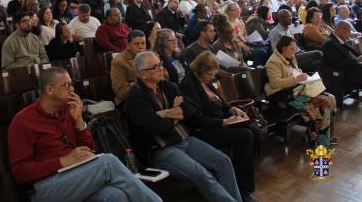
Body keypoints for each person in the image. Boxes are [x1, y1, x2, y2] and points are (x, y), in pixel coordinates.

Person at [8, 67, 162, 202]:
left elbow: (90, 150)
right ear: (49, 90)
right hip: (45, 188)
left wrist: (80, 122)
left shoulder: (68, 111)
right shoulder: (23, 121)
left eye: (71, 85)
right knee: (107, 162)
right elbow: (21, 173)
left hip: (77, 175)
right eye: (66, 86)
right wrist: (62, 161)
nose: (72, 90)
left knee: (115, 195)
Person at [125, 51, 242, 202]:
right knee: (202, 174)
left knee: (223, 162)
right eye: (155, 67)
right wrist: (175, 113)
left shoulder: (166, 85)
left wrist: (164, 113)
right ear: (142, 74)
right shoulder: (135, 97)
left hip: (184, 139)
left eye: (160, 64)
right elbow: (157, 127)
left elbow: (191, 109)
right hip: (162, 150)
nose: (161, 68)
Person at [179, 52, 260, 202]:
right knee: (245, 136)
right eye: (210, 74)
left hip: (220, 123)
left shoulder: (206, 81)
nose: (212, 77)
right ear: (200, 70)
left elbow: (221, 102)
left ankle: (242, 181)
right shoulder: (188, 85)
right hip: (204, 130)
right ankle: (242, 189)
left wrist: (233, 110)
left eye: (213, 74)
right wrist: (224, 122)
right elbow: (197, 119)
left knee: (253, 130)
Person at [265, 35, 336, 146]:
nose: (294, 52)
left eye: (295, 49)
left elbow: (295, 73)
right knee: (324, 103)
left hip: (298, 91)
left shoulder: (291, 57)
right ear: (284, 47)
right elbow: (275, 83)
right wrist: (296, 79)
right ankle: (319, 140)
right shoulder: (273, 62)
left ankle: (325, 138)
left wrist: (303, 76)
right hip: (285, 97)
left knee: (331, 97)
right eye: (292, 49)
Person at [322, 21, 362, 90]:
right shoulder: (330, 43)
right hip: (349, 73)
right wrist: (357, 60)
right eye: (349, 31)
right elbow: (337, 64)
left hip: (355, 67)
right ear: (341, 29)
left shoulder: (337, 39)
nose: (349, 34)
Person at [110, 30, 146, 104]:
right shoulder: (118, 62)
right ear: (128, 45)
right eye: (136, 44)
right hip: (132, 100)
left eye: (143, 43)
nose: (141, 47)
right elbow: (121, 93)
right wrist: (146, 81)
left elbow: (164, 76)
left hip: (153, 96)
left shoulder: (151, 56)